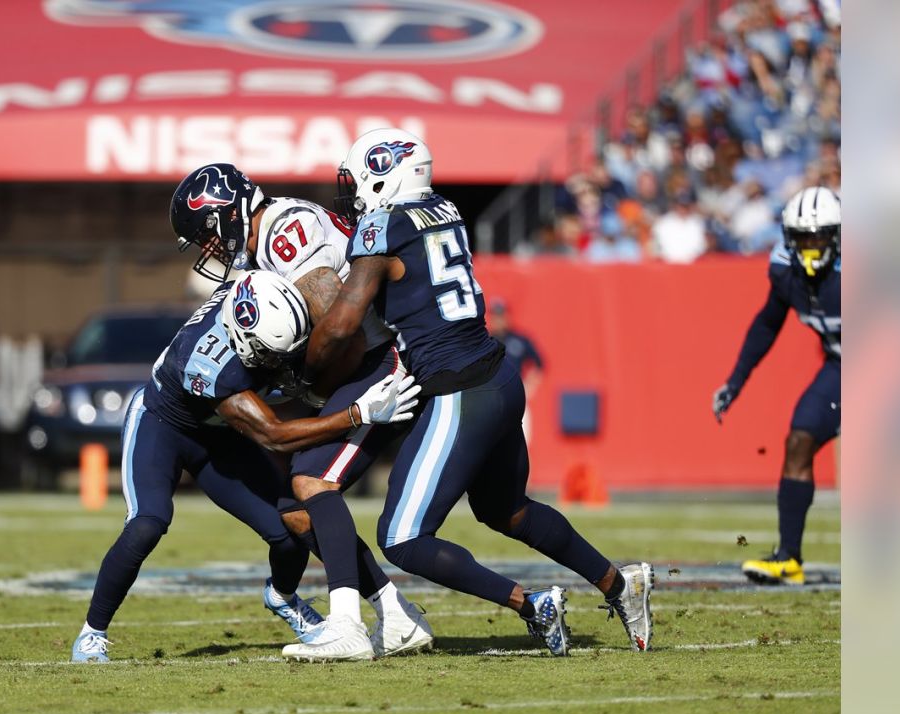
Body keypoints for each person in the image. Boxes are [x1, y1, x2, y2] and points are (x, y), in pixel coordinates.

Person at [300, 128, 654, 657]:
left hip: (459, 389)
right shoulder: (445, 209)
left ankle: (532, 604)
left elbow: (343, 323)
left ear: (385, 176)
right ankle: (620, 585)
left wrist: (307, 370)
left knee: (401, 537)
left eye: (359, 182)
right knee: (508, 511)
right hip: (498, 375)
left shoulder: (381, 226)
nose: (353, 196)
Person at [71, 272, 420, 663]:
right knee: (147, 523)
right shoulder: (206, 364)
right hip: (163, 425)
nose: (283, 361)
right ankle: (92, 632)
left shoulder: (259, 301)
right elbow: (274, 435)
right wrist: (355, 414)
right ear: (245, 342)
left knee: (290, 528)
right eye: (273, 354)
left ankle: (283, 598)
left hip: (219, 436)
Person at [170, 164, 433, 660]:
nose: (210, 248)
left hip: (378, 359)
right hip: (370, 361)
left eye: (207, 233)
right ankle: (395, 612)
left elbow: (343, 331)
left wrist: (310, 386)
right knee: (298, 506)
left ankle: (351, 624)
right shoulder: (270, 234)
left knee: (309, 484)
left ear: (230, 211)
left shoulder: (282, 233)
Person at [713, 186, 840, 585]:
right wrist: (735, 382)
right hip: (843, 366)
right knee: (799, 439)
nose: (810, 246)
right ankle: (789, 558)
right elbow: (767, 324)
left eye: (818, 237)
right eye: (803, 238)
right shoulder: (785, 271)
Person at [488, 300, 544, 443]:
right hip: (493, 398)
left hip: (517, 396)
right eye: (496, 316)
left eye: (501, 315)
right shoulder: (487, 341)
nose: (499, 320)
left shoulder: (519, 340)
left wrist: (529, 386)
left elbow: (539, 364)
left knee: (523, 441)